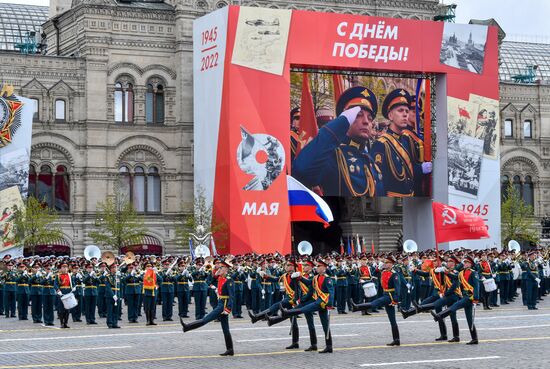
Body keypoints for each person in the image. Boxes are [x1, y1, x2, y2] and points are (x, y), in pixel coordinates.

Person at [292, 87, 385, 197]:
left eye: (370, 118)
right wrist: (342, 122)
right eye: (358, 115)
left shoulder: (369, 159)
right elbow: (302, 171)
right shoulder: (333, 155)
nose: (366, 121)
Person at [371, 89, 432, 197]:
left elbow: (410, 171)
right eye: (400, 110)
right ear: (390, 116)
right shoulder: (381, 144)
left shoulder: (405, 139)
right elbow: (379, 183)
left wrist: (421, 169)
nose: (405, 114)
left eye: (407, 111)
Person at [181, 259, 235, 356]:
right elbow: (211, 281)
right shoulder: (220, 277)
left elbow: (232, 296)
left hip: (223, 305)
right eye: (220, 267)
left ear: (226, 269)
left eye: (221, 267)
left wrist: (228, 308)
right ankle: (230, 349)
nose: (219, 268)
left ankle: (187, 327)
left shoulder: (229, 280)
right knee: (225, 328)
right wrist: (216, 274)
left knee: (205, 319)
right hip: (220, 302)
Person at [280, 259, 335, 354]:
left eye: (318, 266)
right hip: (319, 302)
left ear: (324, 268)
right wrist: (299, 278)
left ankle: (288, 312)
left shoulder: (327, 279)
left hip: (323, 303)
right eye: (317, 266)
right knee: (324, 324)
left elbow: (331, 292)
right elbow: (309, 283)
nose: (317, 268)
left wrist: (330, 303)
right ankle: (325, 346)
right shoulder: (316, 277)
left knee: (306, 310)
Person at [250, 258, 301, 349]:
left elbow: (299, 289)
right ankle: (295, 342)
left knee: (276, 306)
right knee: (293, 321)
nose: (287, 266)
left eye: (289, 265)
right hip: (288, 298)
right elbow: (276, 279)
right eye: (286, 265)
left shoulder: (295, 276)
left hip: (293, 299)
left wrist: (296, 300)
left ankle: (257, 317)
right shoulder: (285, 275)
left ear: (293, 267)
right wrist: (265, 276)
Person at [351, 255, 401, 346]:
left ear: (391, 264)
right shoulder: (384, 271)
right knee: (392, 319)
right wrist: (378, 268)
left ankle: (357, 307)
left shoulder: (394, 274)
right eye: (385, 262)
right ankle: (396, 339)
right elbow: (372, 274)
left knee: (375, 303)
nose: (385, 264)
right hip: (386, 294)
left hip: (390, 296)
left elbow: (398, 288)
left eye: (387, 263)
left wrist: (395, 300)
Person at [432, 256, 480, 345]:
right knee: (469, 319)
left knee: (454, 306)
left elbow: (477, 286)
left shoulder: (473, 273)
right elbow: (454, 276)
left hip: (470, 298)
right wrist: (445, 272)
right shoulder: (461, 273)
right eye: (464, 262)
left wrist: (476, 298)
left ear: (470, 264)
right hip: (464, 296)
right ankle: (475, 338)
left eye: (467, 262)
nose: (465, 264)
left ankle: (439, 316)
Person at [54, 262, 73, 328]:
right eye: (63, 267)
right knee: (61, 308)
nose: (65, 269)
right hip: (61, 292)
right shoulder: (58, 275)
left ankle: (66, 323)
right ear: (61, 268)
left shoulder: (70, 275)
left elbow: (72, 283)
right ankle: (62, 323)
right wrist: (58, 290)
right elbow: (55, 284)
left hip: (68, 292)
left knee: (67, 309)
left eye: (66, 267)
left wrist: (74, 288)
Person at [104, 263, 122, 328]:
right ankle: (110, 323)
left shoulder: (118, 276)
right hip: (110, 295)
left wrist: (120, 296)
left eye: (115, 267)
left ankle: (115, 323)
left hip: (117, 294)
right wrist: (113, 295)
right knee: (110, 310)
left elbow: (120, 286)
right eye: (113, 267)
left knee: (116, 310)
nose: (115, 269)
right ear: (110, 269)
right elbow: (108, 287)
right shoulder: (107, 276)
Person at [142, 261, 159, 325]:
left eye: (150, 266)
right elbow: (141, 279)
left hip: (153, 292)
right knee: (147, 307)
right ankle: (148, 320)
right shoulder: (143, 274)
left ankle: (152, 320)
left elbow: (160, 279)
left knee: (153, 307)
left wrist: (156, 273)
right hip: (146, 292)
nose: (149, 267)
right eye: (148, 266)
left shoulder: (154, 274)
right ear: (145, 267)